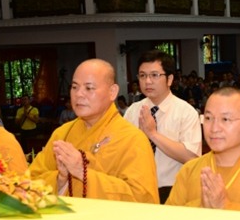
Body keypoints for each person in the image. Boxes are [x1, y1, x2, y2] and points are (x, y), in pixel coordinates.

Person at [29, 59, 158, 203]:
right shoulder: (62, 134)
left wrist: (82, 171)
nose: (79, 94)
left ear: (112, 92)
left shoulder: (132, 139)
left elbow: (143, 199)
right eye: (74, 87)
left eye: (89, 88)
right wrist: (60, 179)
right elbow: (29, 182)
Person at [166, 87, 240, 214]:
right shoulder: (189, 171)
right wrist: (202, 207)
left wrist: (225, 206)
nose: (214, 128)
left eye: (225, 119)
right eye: (208, 118)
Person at [124, 50, 202, 203]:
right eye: (142, 75)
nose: (147, 81)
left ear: (169, 79)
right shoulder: (133, 110)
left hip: (172, 191)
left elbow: (191, 157)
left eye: (154, 75)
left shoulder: (185, 112)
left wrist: (152, 134)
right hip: (137, 189)